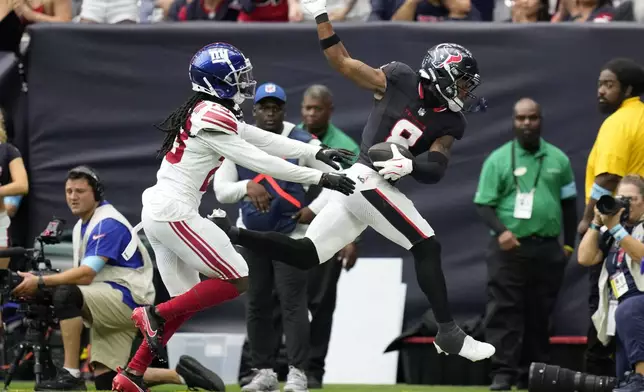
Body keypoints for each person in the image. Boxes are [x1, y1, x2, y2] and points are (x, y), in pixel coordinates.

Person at [215, 3, 495, 362]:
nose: (464, 91)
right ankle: (449, 332)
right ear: (440, 74)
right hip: (364, 176)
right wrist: (320, 16)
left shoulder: (452, 122)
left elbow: (437, 167)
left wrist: (408, 163)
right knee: (426, 246)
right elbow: (343, 62)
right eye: (460, 82)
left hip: (372, 185)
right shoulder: (399, 79)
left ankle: (232, 233)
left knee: (304, 255)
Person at [111, 42, 356, 392]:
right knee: (239, 279)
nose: (245, 81)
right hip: (174, 211)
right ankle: (153, 315)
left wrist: (315, 151)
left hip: (163, 210)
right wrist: (318, 175)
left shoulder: (209, 109)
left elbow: (261, 139)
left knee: (185, 303)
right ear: (217, 82)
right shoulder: (211, 114)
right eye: (237, 76)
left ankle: (132, 374)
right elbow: (259, 160)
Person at [11, 166, 223, 391]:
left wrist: (41, 281)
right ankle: (182, 375)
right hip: (109, 299)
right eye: (69, 191)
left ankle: (71, 373)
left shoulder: (107, 222)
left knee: (65, 293)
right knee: (109, 381)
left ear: (97, 193)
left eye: (80, 191)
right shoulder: (82, 225)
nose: (73, 197)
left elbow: (86, 274)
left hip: (127, 299)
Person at [214, 82, 335, 392]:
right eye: (264, 107)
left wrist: (314, 209)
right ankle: (263, 371)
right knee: (257, 303)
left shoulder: (300, 139)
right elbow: (222, 190)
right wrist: (246, 187)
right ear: (254, 111)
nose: (269, 113)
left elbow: (337, 178)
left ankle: (297, 372)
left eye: (275, 107)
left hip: (291, 236)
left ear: (284, 109)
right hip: (252, 236)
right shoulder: (236, 139)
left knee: (294, 304)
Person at [474, 98, 578, 391]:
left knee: (539, 314)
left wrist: (568, 246)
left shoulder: (559, 159)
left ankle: (534, 375)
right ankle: (503, 374)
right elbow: (483, 205)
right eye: (521, 118)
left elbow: (570, 205)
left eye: (532, 117)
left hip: (546, 248)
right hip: (509, 248)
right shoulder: (498, 159)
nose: (527, 123)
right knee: (504, 312)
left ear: (541, 120)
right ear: (513, 121)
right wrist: (501, 232)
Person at [578, 58, 644, 377]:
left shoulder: (619, 122)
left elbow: (606, 178)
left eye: (609, 84)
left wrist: (588, 220)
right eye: (600, 84)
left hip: (619, 228)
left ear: (628, 89)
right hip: (639, 229)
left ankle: (602, 381)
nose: (601, 91)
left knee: (603, 308)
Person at [577, 175, 644, 391]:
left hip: (636, 305)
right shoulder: (613, 230)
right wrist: (597, 223)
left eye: (631, 199)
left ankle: (642, 379)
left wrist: (616, 228)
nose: (625, 204)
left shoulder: (622, 229)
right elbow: (585, 258)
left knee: (629, 309)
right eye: (620, 199)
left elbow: (641, 255)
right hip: (623, 313)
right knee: (624, 379)